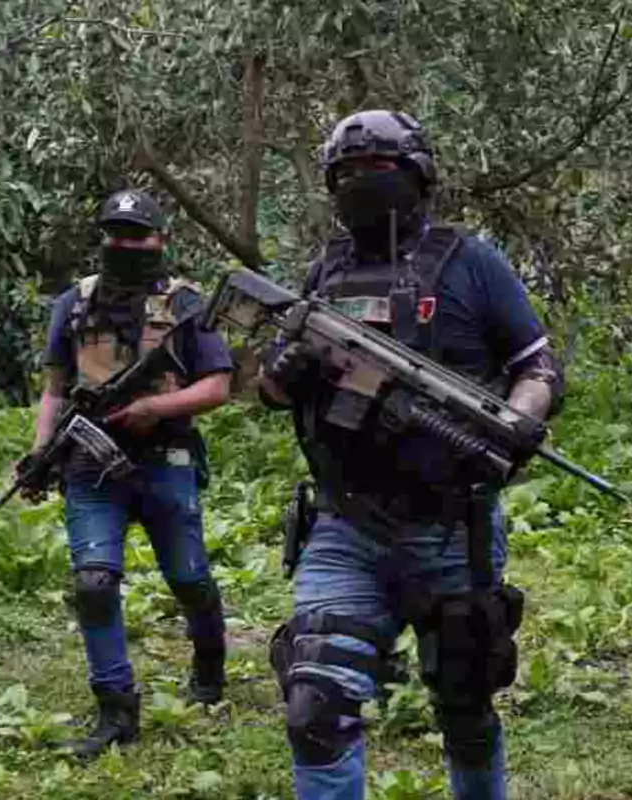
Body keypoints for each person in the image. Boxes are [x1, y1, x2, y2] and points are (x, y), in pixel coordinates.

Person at [260, 110, 562, 800]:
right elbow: (272, 392)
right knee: (315, 708)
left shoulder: (470, 262)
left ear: (418, 176)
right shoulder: (324, 270)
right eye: (348, 173)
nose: (364, 182)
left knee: (464, 704)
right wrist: (290, 364)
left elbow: (538, 367)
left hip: (453, 528)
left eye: (381, 169)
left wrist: (516, 422)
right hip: (344, 527)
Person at [31, 189, 233, 759]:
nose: (124, 246)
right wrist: (38, 452)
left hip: (165, 460)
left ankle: (210, 668)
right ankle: (115, 709)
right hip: (90, 467)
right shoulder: (74, 303)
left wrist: (152, 409)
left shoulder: (187, 305)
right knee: (94, 585)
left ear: (160, 239)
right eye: (115, 235)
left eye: (137, 235)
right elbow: (53, 391)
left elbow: (217, 386)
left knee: (188, 578)